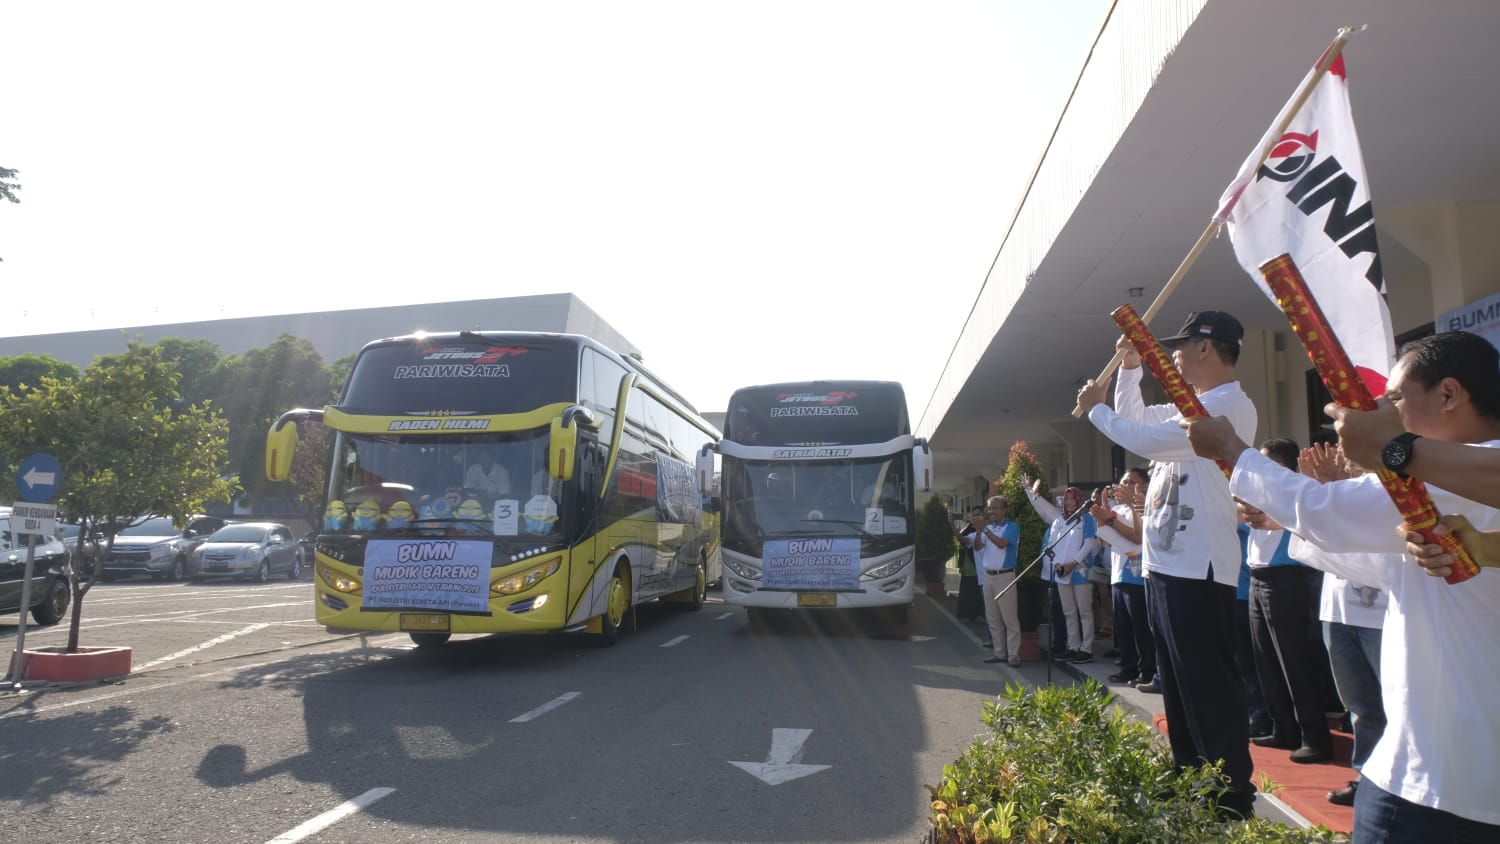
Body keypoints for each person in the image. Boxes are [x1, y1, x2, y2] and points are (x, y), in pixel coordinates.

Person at [1184, 331, 1500, 840]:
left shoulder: (1451, 475)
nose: (1380, 408)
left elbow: (1323, 512)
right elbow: (1379, 564)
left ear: (1448, 395)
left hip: (1436, 780)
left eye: (1395, 397)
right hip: (1442, 766)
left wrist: (1233, 451)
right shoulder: (1463, 475)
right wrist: (1285, 520)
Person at [1075, 309, 1259, 820]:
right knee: (1178, 683)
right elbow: (1136, 421)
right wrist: (1130, 369)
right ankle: (1188, 775)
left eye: (1182, 345)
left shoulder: (1225, 406)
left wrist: (1094, 409)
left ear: (1207, 347)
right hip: (1166, 563)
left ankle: (1229, 796)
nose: (1173, 354)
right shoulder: (1189, 402)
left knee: (1208, 685)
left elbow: (1145, 441)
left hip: (1199, 566)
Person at [1300, 441, 1389, 807]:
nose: (1340, 452)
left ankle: (1394, 783)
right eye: (1338, 446)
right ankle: (1367, 775)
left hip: (1381, 616)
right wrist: (1328, 487)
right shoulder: (1337, 490)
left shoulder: (1389, 488)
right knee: (1359, 705)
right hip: (1338, 612)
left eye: (1347, 445)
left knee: (1393, 703)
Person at [1239, 438, 1336, 764]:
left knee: (1294, 660)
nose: (1266, 471)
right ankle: (1284, 728)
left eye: (1273, 465)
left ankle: (1315, 736)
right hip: (1259, 577)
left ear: (1290, 466)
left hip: (1288, 580)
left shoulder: (1298, 490)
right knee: (1266, 660)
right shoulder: (1259, 491)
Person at [1090, 467, 1157, 688]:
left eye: (1131, 482)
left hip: (1137, 576)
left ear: (1144, 485)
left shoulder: (1146, 507)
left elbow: (1137, 537)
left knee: (1141, 628)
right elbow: (1105, 541)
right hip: (1118, 574)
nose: (1125, 486)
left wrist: (1111, 520)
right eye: (1123, 482)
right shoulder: (1118, 509)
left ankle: (1147, 670)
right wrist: (1103, 513)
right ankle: (1128, 667)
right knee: (1124, 627)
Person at [1040, 486, 1099, 663]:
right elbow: (1052, 544)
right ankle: (1073, 647)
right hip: (1061, 572)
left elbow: (1089, 543)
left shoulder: (1086, 518)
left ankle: (1086, 649)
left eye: (1073, 499)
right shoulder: (1059, 521)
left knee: (1085, 612)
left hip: (1079, 571)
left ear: (1079, 500)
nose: (1069, 502)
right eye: (1066, 499)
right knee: (1069, 612)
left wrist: (1072, 563)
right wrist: (1058, 564)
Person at [963, 496, 1022, 666]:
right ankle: (999, 653)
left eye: (995, 508)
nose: (991, 512)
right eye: (989, 508)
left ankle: (1013, 656)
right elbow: (977, 547)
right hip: (988, 577)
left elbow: (1002, 544)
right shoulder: (987, 528)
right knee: (993, 618)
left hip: (1005, 576)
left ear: (1004, 510)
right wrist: (980, 530)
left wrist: (985, 530)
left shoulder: (1011, 527)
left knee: (1009, 618)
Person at [953, 506, 985, 625]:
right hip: (978, 572)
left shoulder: (990, 530)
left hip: (989, 574)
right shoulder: (972, 531)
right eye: (973, 515)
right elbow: (962, 539)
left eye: (978, 515)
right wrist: (952, 525)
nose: (975, 518)